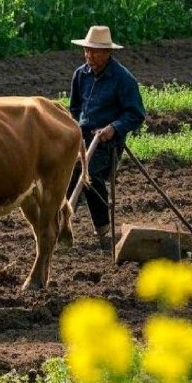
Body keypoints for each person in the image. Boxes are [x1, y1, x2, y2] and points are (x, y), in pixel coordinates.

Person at [68, 24, 146, 250]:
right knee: (62, 174)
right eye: (87, 51)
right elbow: (74, 110)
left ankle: (103, 230)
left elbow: (136, 113)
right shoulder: (80, 75)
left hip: (106, 144)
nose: (89, 56)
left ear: (108, 53)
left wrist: (113, 127)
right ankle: (60, 225)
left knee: (89, 175)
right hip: (80, 140)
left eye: (95, 51)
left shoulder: (123, 79)